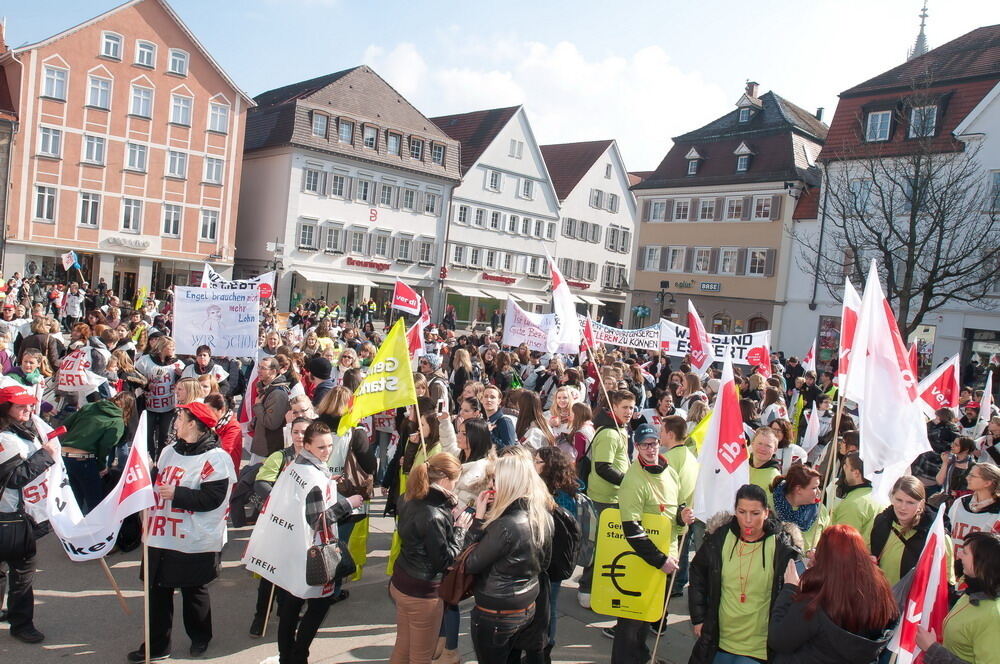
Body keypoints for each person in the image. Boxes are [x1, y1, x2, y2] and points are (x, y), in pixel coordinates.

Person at [128, 401, 236, 662]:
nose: (175, 422)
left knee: (193, 592)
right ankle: (156, 646)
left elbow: (213, 498)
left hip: (192, 538)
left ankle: (200, 638)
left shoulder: (216, 459)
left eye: (180, 418)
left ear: (193, 424)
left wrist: (178, 494)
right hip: (161, 532)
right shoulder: (168, 451)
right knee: (157, 592)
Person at [687, 483, 801, 664]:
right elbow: (697, 572)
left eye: (755, 513)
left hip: (759, 648)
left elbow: (795, 595)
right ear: (735, 511)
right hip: (718, 642)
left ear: (766, 512)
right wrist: (699, 618)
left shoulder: (782, 547)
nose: (748, 520)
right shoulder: (720, 537)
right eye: (742, 512)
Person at [612, 423, 694, 664]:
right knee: (631, 621)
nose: (651, 448)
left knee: (648, 615)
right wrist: (660, 560)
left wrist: (681, 516)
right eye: (645, 445)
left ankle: (642, 656)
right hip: (644, 559)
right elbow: (631, 527)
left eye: (654, 443)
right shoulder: (633, 479)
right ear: (636, 447)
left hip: (667, 554)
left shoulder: (669, 470)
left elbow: (672, 507)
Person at [464, 448, 554, 664]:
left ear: (509, 483)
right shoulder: (541, 516)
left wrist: (477, 521)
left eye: (495, 479)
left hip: (496, 611)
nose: (491, 485)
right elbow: (545, 562)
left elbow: (469, 563)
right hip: (526, 606)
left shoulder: (506, 526)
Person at [768, 525, 898, 663]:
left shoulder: (814, 602)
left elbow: (779, 640)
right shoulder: (880, 594)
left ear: (824, 558)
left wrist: (789, 589)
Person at [390, 453, 471, 664]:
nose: (456, 485)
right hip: (423, 591)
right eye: (456, 480)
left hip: (401, 580)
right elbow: (444, 560)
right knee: (421, 656)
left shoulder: (409, 496)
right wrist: (460, 530)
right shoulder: (434, 513)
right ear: (445, 479)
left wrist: (448, 518)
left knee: (403, 645)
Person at [0, 385, 58, 644]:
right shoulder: (5, 439)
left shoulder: (22, 430)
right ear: (6, 410)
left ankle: (16, 618)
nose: (27, 409)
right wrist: (45, 456)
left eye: (28, 405)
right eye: (20, 406)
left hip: (18, 516)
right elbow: (13, 478)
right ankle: (21, 623)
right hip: (10, 517)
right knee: (22, 572)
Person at [578, 389, 634, 607]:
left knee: (608, 545)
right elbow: (602, 467)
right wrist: (627, 482)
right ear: (613, 408)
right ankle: (586, 587)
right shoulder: (610, 433)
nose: (629, 412)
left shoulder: (620, 429)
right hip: (603, 498)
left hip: (613, 497)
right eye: (624, 407)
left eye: (631, 407)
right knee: (599, 545)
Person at [916, 531, 1000, 664]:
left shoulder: (994, 615)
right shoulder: (972, 590)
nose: (959, 554)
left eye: (965, 553)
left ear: (982, 564)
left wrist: (932, 649)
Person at [868, 475, 954, 587]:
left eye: (910, 502)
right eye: (899, 500)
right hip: (881, 597)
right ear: (892, 498)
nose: (903, 507)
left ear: (921, 504)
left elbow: (947, 581)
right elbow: (868, 552)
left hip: (916, 602)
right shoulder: (881, 522)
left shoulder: (936, 536)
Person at [59, 392, 134, 514]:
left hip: (65, 456)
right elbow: (105, 446)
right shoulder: (117, 421)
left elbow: (66, 424)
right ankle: (94, 531)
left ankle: (72, 529)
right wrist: (101, 466)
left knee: (73, 500)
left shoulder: (90, 406)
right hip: (84, 460)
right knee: (95, 502)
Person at [948, 463, 1000, 570]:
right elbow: (948, 532)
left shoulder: (997, 512)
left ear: (987, 483)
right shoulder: (960, 503)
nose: (967, 478)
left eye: (973, 475)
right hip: (952, 567)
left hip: (980, 572)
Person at [771, 464, 829, 553]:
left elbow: (828, 541)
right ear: (798, 489)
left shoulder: (820, 509)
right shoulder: (770, 505)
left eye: (818, 487)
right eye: (814, 488)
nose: (819, 492)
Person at [830, 453, 883, 540]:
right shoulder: (879, 496)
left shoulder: (853, 504)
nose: (843, 468)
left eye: (846, 465)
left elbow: (842, 540)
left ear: (856, 473)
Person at [251, 357, 291, 461]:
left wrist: (258, 406)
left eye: (263, 368)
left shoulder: (278, 394)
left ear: (273, 371)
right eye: (259, 367)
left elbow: (272, 423)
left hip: (268, 450)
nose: (259, 371)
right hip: (263, 446)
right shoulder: (267, 388)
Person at [748, 428, 782, 505]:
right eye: (759, 443)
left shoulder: (775, 478)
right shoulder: (741, 466)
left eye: (768, 446)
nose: (763, 449)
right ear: (752, 444)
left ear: (775, 449)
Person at [482, 384, 515, 450]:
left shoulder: (505, 421)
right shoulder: (485, 421)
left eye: (492, 397)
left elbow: (509, 449)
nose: (488, 400)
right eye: (485, 396)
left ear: (499, 401)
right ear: (481, 400)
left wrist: (489, 434)